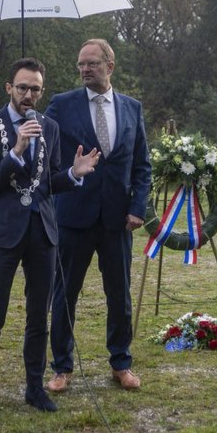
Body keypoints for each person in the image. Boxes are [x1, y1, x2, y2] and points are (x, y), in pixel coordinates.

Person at [0, 57, 101, 423]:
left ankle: (34, 388)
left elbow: (46, 183)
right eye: (23, 87)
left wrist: (73, 174)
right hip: (2, 235)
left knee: (38, 318)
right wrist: (16, 151)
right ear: (8, 87)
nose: (29, 95)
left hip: (43, 233)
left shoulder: (50, 127)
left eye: (36, 89)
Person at [45, 39, 151, 396]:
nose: (84, 69)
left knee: (119, 294)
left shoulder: (132, 108)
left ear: (110, 65)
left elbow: (142, 166)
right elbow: (46, 153)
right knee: (64, 294)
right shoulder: (61, 105)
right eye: (80, 64)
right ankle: (61, 367)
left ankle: (121, 362)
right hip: (73, 215)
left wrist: (138, 207)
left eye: (91, 63)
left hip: (117, 220)